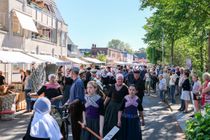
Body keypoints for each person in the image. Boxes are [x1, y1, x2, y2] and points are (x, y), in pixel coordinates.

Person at [103, 73, 128, 139]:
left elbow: (127, 98)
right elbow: (108, 97)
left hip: (120, 108)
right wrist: (104, 104)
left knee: (118, 123)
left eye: (121, 79)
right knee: (110, 123)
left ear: (123, 80)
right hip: (111, 108)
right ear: (116, 79)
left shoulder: (125, 88)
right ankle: (110, 136)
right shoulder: (112, 86)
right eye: (118, 79)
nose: (120, 80)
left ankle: (118, 136)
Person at [65, 67, 85, 140]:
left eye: (70, 72)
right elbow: (72, 96)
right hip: (73, 107)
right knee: (74, 128)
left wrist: (69, 104)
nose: (69, 74)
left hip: (76, 108)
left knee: (76, 129)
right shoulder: (75, 81)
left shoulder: (79, 82)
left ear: (73, 73)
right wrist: (67, 102)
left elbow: (79, 98)